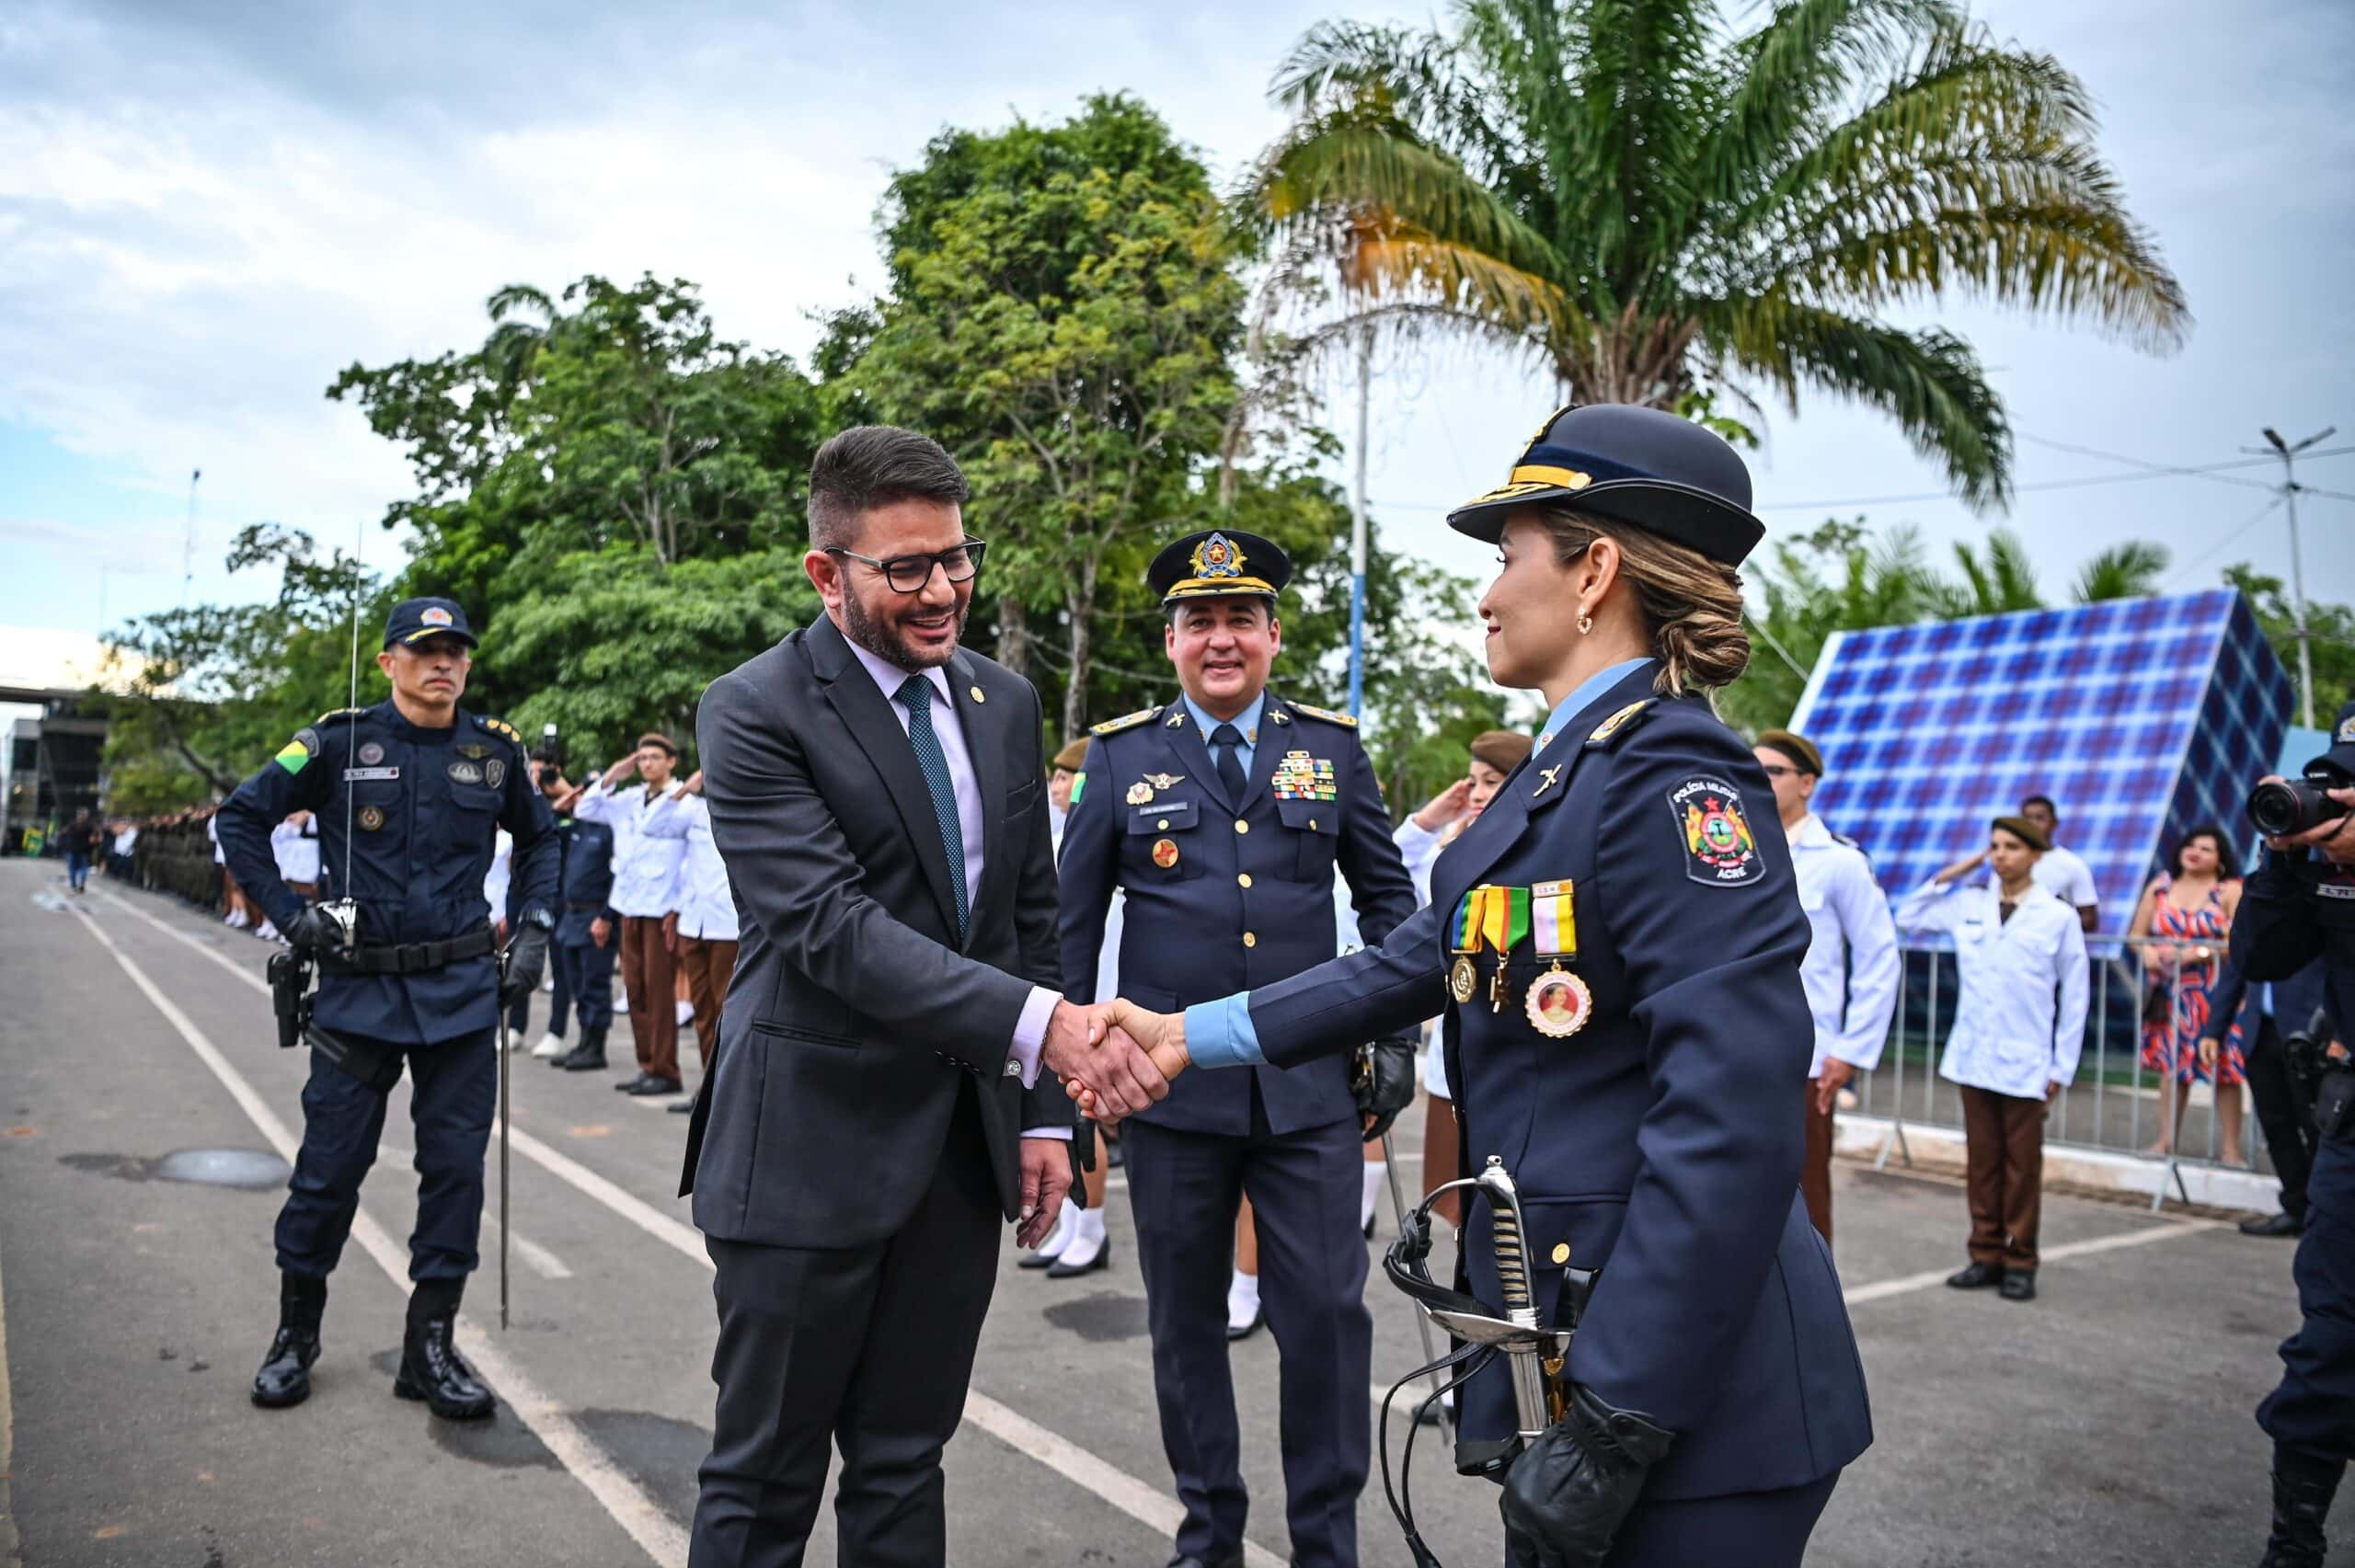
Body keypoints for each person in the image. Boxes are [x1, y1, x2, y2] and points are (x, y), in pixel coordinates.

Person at [1084, 405, 1872, 1567]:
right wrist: (1183, 1036)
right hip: (1577, 1349)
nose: (1489, 593)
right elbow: (1422, 956)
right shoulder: (1568, 772)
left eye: (1509, 558)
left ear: (1594, 569)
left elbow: (1732, 1122)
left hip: (1687, 1401)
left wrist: (1616, 1420)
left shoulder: (1670, 771)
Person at [677, 425, 1158, 1567]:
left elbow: (1028, 921)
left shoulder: (1003, 702)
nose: (944, 590)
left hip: (954, 1154)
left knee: (903, 1465)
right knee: (762, 1480)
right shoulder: (754, 708)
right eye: (906, 568)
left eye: (957, 557)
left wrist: (1042, 1112)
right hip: (804, 1151)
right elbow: (830, 931)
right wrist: (1050, 1032)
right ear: (825, 574)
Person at [1058, 525, 1419, 1568]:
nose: (1220, 639)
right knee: (1183, 1331)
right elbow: (1072, 933)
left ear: (1271, 635)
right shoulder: (1122, 756)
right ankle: (1208, 1533)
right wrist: (1074, 1065)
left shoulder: (1331, 749)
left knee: (1327, 1327)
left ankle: (1326, 1544)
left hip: (1309, 1094)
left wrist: (1392, 1032)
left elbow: (1392, 905)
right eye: (1198, 621)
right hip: (1168, 1102)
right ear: (1169, 640)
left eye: (1239, 621)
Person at [213, 597, 557, 1421]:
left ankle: (428, 1345)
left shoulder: (494, 751)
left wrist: (536, 927)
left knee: (453, 1176)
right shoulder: (335, 742)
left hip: (462, 997)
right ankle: (296, 1336)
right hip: (357, 994)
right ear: (390, 661)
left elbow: (544, 839)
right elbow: (241, 815)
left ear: (468, 664)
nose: (443, 662)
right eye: (425, 648)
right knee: (328, 1172)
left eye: (455, 650)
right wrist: (288, 915)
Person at [2233, 711, 2355, 1568]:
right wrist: (2285, 861)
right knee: (2330, 1336)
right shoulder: (2319, 869)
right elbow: (2262, 956)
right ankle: (2295, 1542)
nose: (2334, 798)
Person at [1899, 816, 2089, 1303]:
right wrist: (1955, 871)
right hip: (1973, 1054)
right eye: (1995, 847)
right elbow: (1908, 916)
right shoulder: (1967, 904)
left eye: (2012, 847)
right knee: (1982, 1162)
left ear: (2036, 855)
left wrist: (2060, 1066)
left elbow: (2076, 998)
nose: (2001, 855)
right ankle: (1984, 1254)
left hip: (2028, 1059)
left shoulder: (2057, 916)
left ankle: (2020, 1259)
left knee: (2021, 1167)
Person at [1755, 727, 1900, 1245]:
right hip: (1742, 1045)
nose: (1759, 778)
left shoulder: (1840, 860)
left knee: (1807, 1191)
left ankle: (1814, 1312)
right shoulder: (1740, 850)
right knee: (1742, 1187)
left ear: (1807, 783)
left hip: (1809, 1054)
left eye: (1774, 771)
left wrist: (1851, 1051)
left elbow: (1879, 956)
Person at [1391, 730, 1532, 1234]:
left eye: (1490, 782)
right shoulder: (1450, 850)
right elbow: (1391, 876)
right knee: (1453, 1208)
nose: (1474, 793)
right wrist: (1427, 822)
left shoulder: (1535, 850)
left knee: (1511, 1218)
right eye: (1471, 781)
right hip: (1452, 1062)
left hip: (1513, 1058)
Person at [574, 734, 687, 1095]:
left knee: (658, 993)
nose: (646, 764)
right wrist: (612, 775)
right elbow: (584, 809)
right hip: (628, 905)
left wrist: (678, 906)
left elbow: (693, 859)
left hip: (661, 909)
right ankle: (647, 1065)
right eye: (642, 758)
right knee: (634, 989)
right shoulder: (629, 799)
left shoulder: (684, 803)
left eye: (655, 757)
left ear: (671, 761)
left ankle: (666, 1070)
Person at [2130, 826, 2246, 1161]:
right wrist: (2147, 953)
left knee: (2226, 1069)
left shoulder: (2229, 891)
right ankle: (2166, 1141)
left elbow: (2238, 940)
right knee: (2172, 1067)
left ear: (2220, 859)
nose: (2195, 852)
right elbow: (2137, 935)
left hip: (2217, 992)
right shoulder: (2161, 887)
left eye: (2206, 849)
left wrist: (2200, 954)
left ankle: (2231, 1149)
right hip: (2171, 992)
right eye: (2191, 845)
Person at [2205, 944, 2330, 1236]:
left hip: (2310, 1034)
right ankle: (2296, 1208)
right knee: (2276, 1127)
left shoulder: (2318, 905)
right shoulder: (2262, 908)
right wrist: (2214, 1030)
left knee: (2317, 1129)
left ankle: (2326, 1213)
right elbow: (2237, 968)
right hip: (2259, 1032)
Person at [645, 769, 738, 1112]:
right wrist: (686, 788)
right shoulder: (694, 809)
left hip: (728, 925)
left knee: (725, 1012)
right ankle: (708, 1090)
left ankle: (727, 1095)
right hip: (694, 922)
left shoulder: (744, 804)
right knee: (702, 1012)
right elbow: (652, 825)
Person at [539, 761, 622, 1070]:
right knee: (577, 985)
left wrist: (607, 917)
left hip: (596, 916)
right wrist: (559, 804)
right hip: (571, 918)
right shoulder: (576, 826)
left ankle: (595, 1047)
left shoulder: (612, 829)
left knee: (595, 985)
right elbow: (543, 832)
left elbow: (618, 878)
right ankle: (583, 1042)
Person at [2021, 794, 2101, 933]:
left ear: (2054, 823)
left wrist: (2055, 920)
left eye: (2040, 818)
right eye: (2027, 818)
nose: (2033, 823)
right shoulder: (2006, 862)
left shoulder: (2071, 864)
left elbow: (2090, 920)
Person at [58, 807, 102, 894]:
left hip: (74, 849)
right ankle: (81, 883)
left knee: (73, 868)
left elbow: (64, 833)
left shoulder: (73, 824)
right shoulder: (90, 825)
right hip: (84, 850)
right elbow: (96, 836)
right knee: (83, 868)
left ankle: (74, 885)